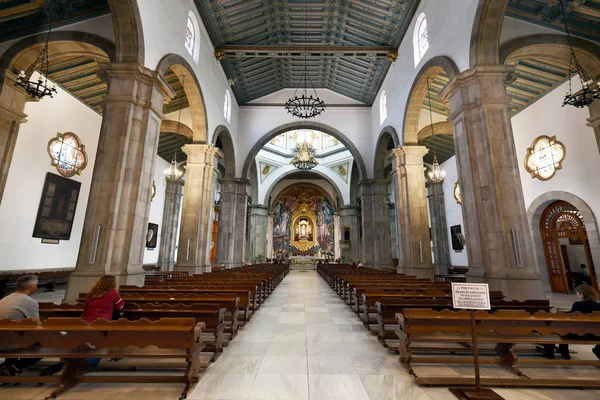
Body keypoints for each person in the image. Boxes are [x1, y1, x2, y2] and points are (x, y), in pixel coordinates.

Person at [41, 275, 125, 376]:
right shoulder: (113, 293)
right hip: (100, 325)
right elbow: (119, 306)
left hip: (83, 323)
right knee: (95, 356)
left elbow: (85, 306)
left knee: (80, 346)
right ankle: (65, 366)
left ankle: (62, 364)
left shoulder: (92, 293)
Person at [537, 284, 600, 360]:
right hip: (596, 335)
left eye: (577, 293)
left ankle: (549, 353)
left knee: (553, 329)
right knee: (565, 329)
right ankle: (564, 352)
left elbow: (572, 317)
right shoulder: (598, 306)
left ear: (581, 294)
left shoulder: (578, 305)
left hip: (579, 335)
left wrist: (561, 313)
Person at [0, 275, 41, 376]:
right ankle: (16, 366)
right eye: (36, 285)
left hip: (2, 339)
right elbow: (38, 326)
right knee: (46, 342)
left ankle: (6, 365)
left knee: (15, 334)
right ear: (32, 287)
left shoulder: (4, 299)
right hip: (11, 344)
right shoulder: (29, 301)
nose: (37, 287)